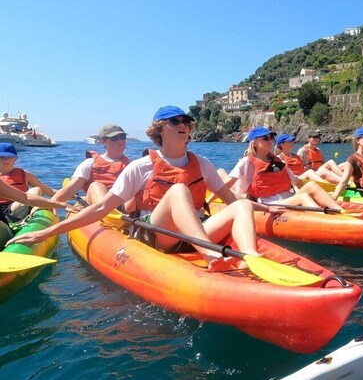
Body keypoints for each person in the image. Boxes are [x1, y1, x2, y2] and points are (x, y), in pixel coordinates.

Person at [8, 106, 267, 270]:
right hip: (160, 236)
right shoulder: (140, 167)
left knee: (243, 204)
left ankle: (252, 257)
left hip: (196, 234)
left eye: (186, 122)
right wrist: (50, 230)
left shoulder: (203, 163)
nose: (183, 125)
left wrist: (266, 208)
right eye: (175, 121)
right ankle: (212, 257)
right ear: (158, 130)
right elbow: (101, 208)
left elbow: (231, 200)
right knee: (178, 191)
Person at [221, 127, 342, 210]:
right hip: (269, 202)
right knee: (303, 197)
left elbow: (297, 182)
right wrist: (209, 203)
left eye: (271, 138)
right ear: (255, 143)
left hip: (287, 198)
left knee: (311, 186)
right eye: (266, 138)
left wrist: (323, 193)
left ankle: (340, 211)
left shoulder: (278, 161)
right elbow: (224, 187)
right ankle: (324, 219)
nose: (270, 141)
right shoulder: (247, 161)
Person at [53, 123, 134, 208]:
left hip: (125, 208)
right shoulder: (90, 164)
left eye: (122, 137)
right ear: (103, 141)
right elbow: (71, 189)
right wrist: (52, 204)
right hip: (99, 209)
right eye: (114, 138)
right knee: (96, 186)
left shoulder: (133, 165)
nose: (120, 141)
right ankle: (107, 212)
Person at [0, 143, 57, 223]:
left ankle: (33, 213)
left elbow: (49, 191)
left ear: (15, 158)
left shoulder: (25, 175)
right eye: (1, 157)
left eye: (9, 157)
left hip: (16, 207)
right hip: (1, 211)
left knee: (36, 189)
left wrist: (73, 195)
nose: (5, 160)